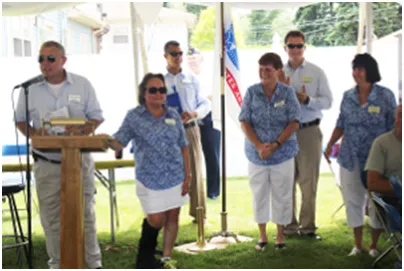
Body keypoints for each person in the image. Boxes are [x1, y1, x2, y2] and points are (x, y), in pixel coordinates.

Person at [15, 41, 103, 269]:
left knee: (86, 215)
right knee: (51, 219)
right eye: (41, 59)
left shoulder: (82, 85)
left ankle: (92, 264)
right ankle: (58, 265)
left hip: (78, 160)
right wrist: (36, 135)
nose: (45, 64)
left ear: (63, 60)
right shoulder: (29, 89)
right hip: (47, 164)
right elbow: (21, 121)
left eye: (51, 59)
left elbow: (96, 117)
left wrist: (82, 130)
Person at [104, 73, 190, 268]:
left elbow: (184, 145)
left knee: (173, 216)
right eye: (153, 90)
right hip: (149, 178)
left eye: (162, 90)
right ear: (144, 93)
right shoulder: (134, 116)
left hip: (175, 175)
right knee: (156, 218)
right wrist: (105, 140)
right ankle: (145, 258)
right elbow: (120, 140)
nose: (158, 94)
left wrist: (188, 175)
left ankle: (166, 259)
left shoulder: (173, 115)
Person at [325, 53, 397, 257]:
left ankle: (374, 245)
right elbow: (341, 123)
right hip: (350, 156)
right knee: (352, 199)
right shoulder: (348, 96)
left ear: (370, 71)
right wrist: (330, 144)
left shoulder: (385, 95)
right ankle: (358, 244)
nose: (356, 73)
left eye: (360, 69)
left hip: (377, 158)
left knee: (376, 200)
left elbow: (393, 126)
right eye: (354, 69)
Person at [239, 52, 301, 250]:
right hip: (257, 154)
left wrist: (275, 145)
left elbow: (294, 122)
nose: (263, 72)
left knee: (282, 193)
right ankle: (263, 235)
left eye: (268, 69)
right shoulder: (251, 92)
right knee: (259, 193)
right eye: (261, 68)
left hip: (282, 153)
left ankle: (280, 235)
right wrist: (259, 146)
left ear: (278, 70)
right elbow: (244, 121)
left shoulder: (288, 93)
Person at [282, 30, 333, 239]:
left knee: (308, 181)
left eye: (299, 46)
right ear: (284, 48)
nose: (295, 50)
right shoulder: (277, 73)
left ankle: (308, 227)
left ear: (305, 47)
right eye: (291, 46)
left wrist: (307, 100)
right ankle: (288, 226)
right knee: (285, 181)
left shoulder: (316, 71)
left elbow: (328, 102)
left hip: (309, 131)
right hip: (284, 133)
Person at [163, 40, 211, 223]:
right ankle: (169, 216)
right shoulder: (159, 80)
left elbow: (206, 102)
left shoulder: (191, 78)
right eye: (173, 54)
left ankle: (199, 215)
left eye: (180, 53)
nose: (178, 57)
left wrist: (194, 113)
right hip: (168, 132)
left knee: (195, 172)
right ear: (165, 56)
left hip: (190, 129)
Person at [187, 46, 221, 200]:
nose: (193, 63)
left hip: (210, 117)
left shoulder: (210, 76)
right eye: (190, 61)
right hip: (191, 120)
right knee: (191, 157)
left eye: (195, 60)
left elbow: (213, 96)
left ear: (201, 60)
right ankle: (191, 191)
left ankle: (213, 191)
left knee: (212, 155)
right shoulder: (186, 78)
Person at [366, 104, 402, 214]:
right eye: (400, 115)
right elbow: (373, 183)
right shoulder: (382, 143)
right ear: (395, 119)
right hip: (396, 201)